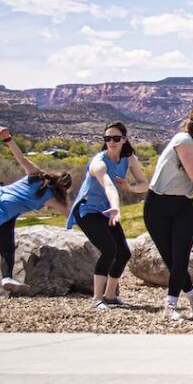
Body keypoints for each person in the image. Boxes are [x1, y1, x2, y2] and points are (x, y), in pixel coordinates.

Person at [0, 127, 71, 299]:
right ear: (64, 189)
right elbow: (69, 213)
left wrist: (7, 137)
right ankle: (7, 277)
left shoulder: (37, 174)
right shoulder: (51, 197)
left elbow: (20, 157)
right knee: (7, 249)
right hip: (3, 210)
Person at [144, 104, 193, 321]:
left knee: (181, 257)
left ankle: (170, 305)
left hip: (183, 204)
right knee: (171, 258)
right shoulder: (183, 140)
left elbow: (187, 176)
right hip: (158, 205)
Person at [66, 122, 149, 310]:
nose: (111, 142)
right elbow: (109, 186)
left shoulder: (129, 159)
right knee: (109, 250)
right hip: (87, 210)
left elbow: (144, 184)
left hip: (106, 211)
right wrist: (116, 207)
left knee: (124, 253)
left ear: (124, 139)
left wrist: (130, 187)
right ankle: (97, 299)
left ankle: (110, 296)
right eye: (107, 138)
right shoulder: (99, 163)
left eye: (116, 138)